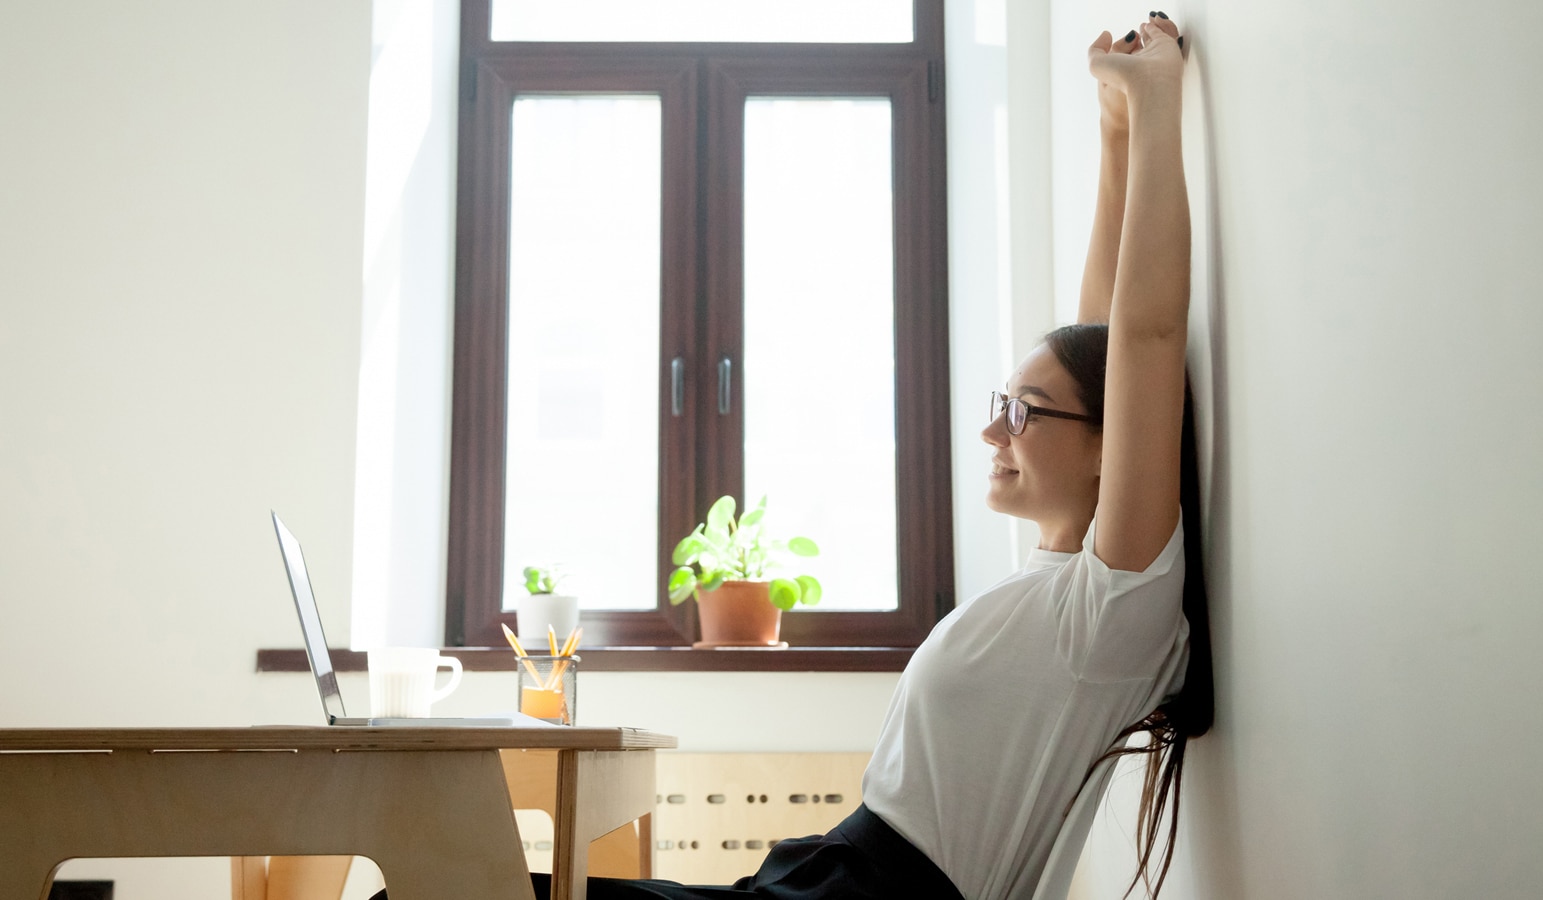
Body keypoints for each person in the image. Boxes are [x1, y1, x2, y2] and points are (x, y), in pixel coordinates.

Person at [372, 13, 1209, 900]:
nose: (992, 432)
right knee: (440, 886)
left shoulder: (1111, 611)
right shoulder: (1062, 581)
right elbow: (1105, 342)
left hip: (861, 898)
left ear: (1106, 447)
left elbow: (1144, 344)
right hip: (821, 881)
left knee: (435, 891)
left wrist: (1157, 106)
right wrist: (1114, 132)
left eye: (1022, 413)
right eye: (999, 406)